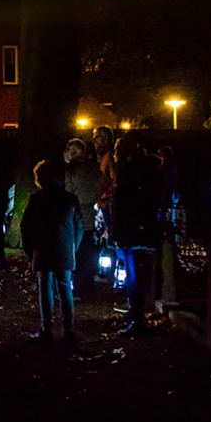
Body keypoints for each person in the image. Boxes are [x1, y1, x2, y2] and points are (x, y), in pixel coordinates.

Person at [21, 159, 85, 345]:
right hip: (64, 249)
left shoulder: (36, 200)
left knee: (45, 287)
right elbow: (80, 226)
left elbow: (26, 227)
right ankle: (68, 331)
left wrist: (30, 251)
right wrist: (73, 247)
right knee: (65, 288)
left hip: (42, 250)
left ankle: (46, 329)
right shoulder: (70, 199)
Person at [111, 136, 159, 335]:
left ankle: (137, 319)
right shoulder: (150, 169)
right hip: (145, 227)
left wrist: (116, 229)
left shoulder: (126, 170)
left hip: (130, 230)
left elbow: (122, 203)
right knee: (138, 273)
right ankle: (137, 313)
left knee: (133, 275)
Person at [63, 138, 102, 299]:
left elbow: (68, 191)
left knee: (77, 254)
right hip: (90, 217)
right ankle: (87, 287)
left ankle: (78, 288)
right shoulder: (94, 169)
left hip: (75, 216)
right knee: (87, 252)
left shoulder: (70, 170)